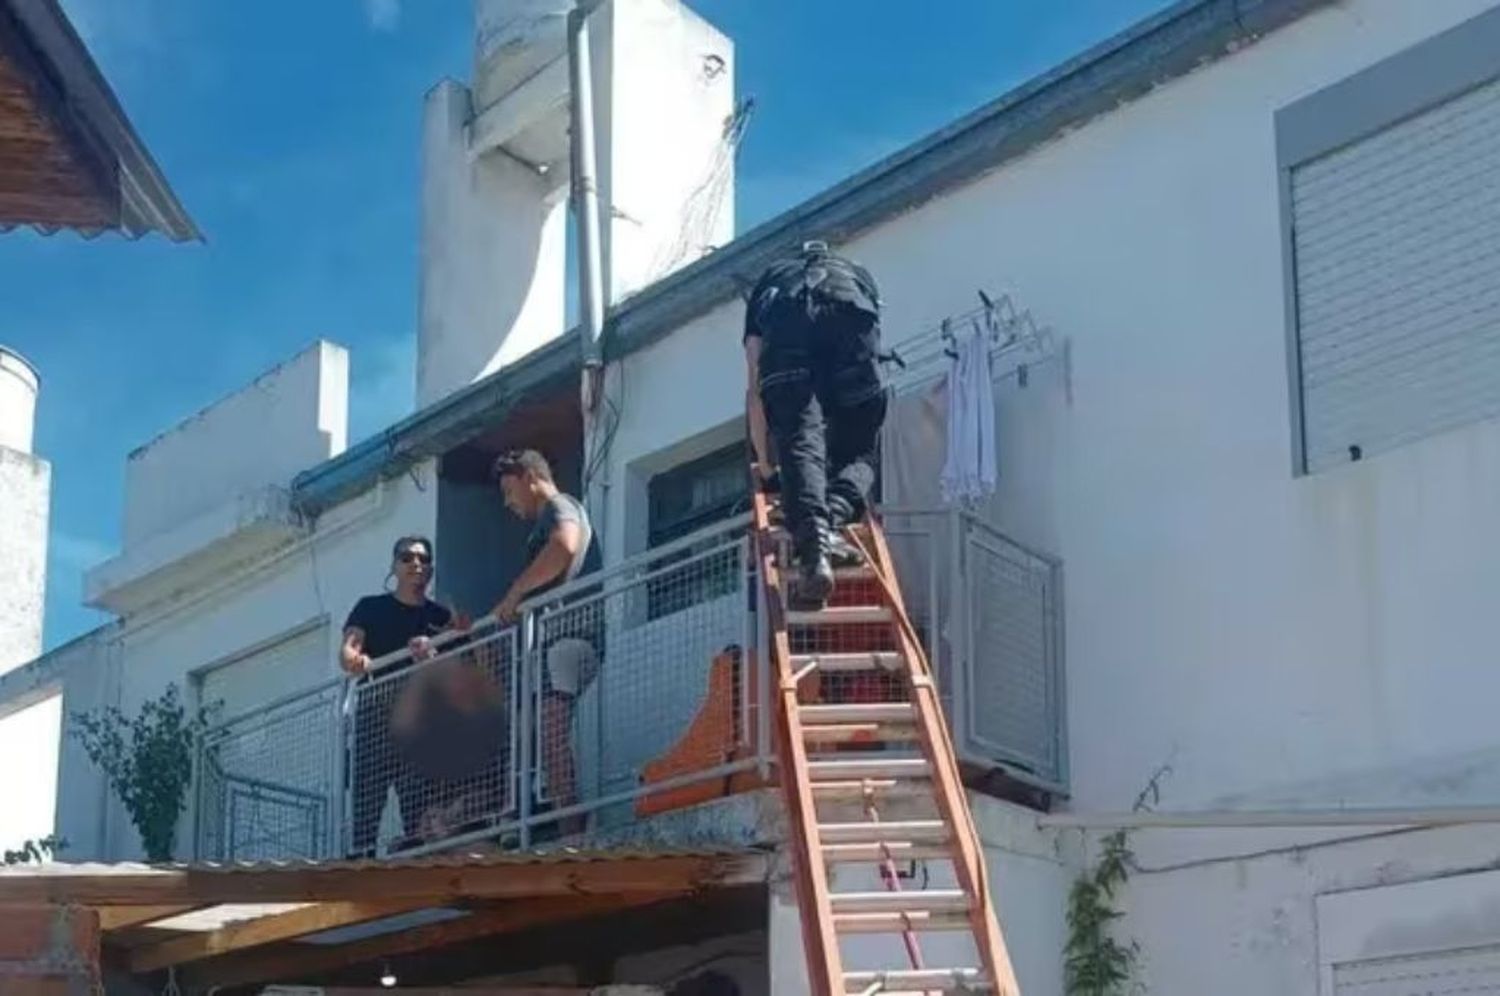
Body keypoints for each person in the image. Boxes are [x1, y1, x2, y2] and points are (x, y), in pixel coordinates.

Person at [744, 240, 889, 605]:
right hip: (853, 321)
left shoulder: (768, 289)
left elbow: (754, 389)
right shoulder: (857, 275)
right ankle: (833, 519)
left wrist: (765, 465)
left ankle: (814, 549)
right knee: (861, 451)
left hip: (788, 326)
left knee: (800, 440)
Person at [489, 449, 599, 836]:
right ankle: (528, 821)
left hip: (566, 638)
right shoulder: (554, 511)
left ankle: (571, 825)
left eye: (509, 491)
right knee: (531, 730)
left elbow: (565, 546)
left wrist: (516, 593)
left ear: (528, 477)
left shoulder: (559, 506)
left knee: (550, 730)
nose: (508, 503)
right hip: (561, 641)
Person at [339, 535, 465, 855]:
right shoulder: (370, 608)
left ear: (431, 569)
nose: (416, 564)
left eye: (423, 559)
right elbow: (349, 650)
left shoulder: (440, 617)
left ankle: (415, 866)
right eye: (407, 558)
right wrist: (356, 660)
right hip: (376, 718)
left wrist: (435, 652)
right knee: (368, 806)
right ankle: (360, 870)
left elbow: (467, 662)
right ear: (394, 566)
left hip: (420, 724)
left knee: (418, 805)